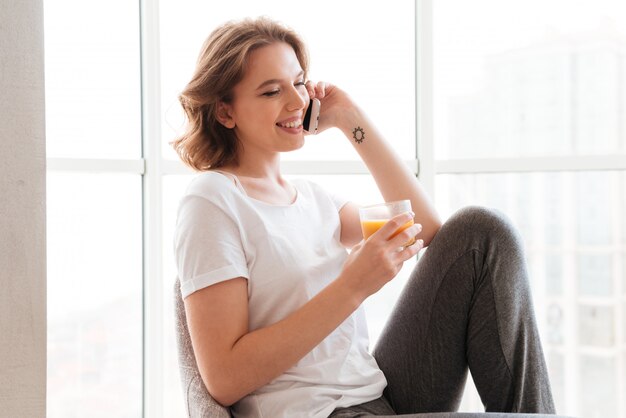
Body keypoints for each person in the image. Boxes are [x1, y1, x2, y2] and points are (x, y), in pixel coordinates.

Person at [172, 17, 556, 418]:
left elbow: (423, 229)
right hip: (316, 412)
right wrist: (352, 286)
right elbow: (224, 378)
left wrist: (349, 118)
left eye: (299, 83)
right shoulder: (213, 199)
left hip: (379, 398)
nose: (297, 101)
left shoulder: (316, 200)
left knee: (481, 233)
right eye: (271, 91)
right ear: (225, 112)